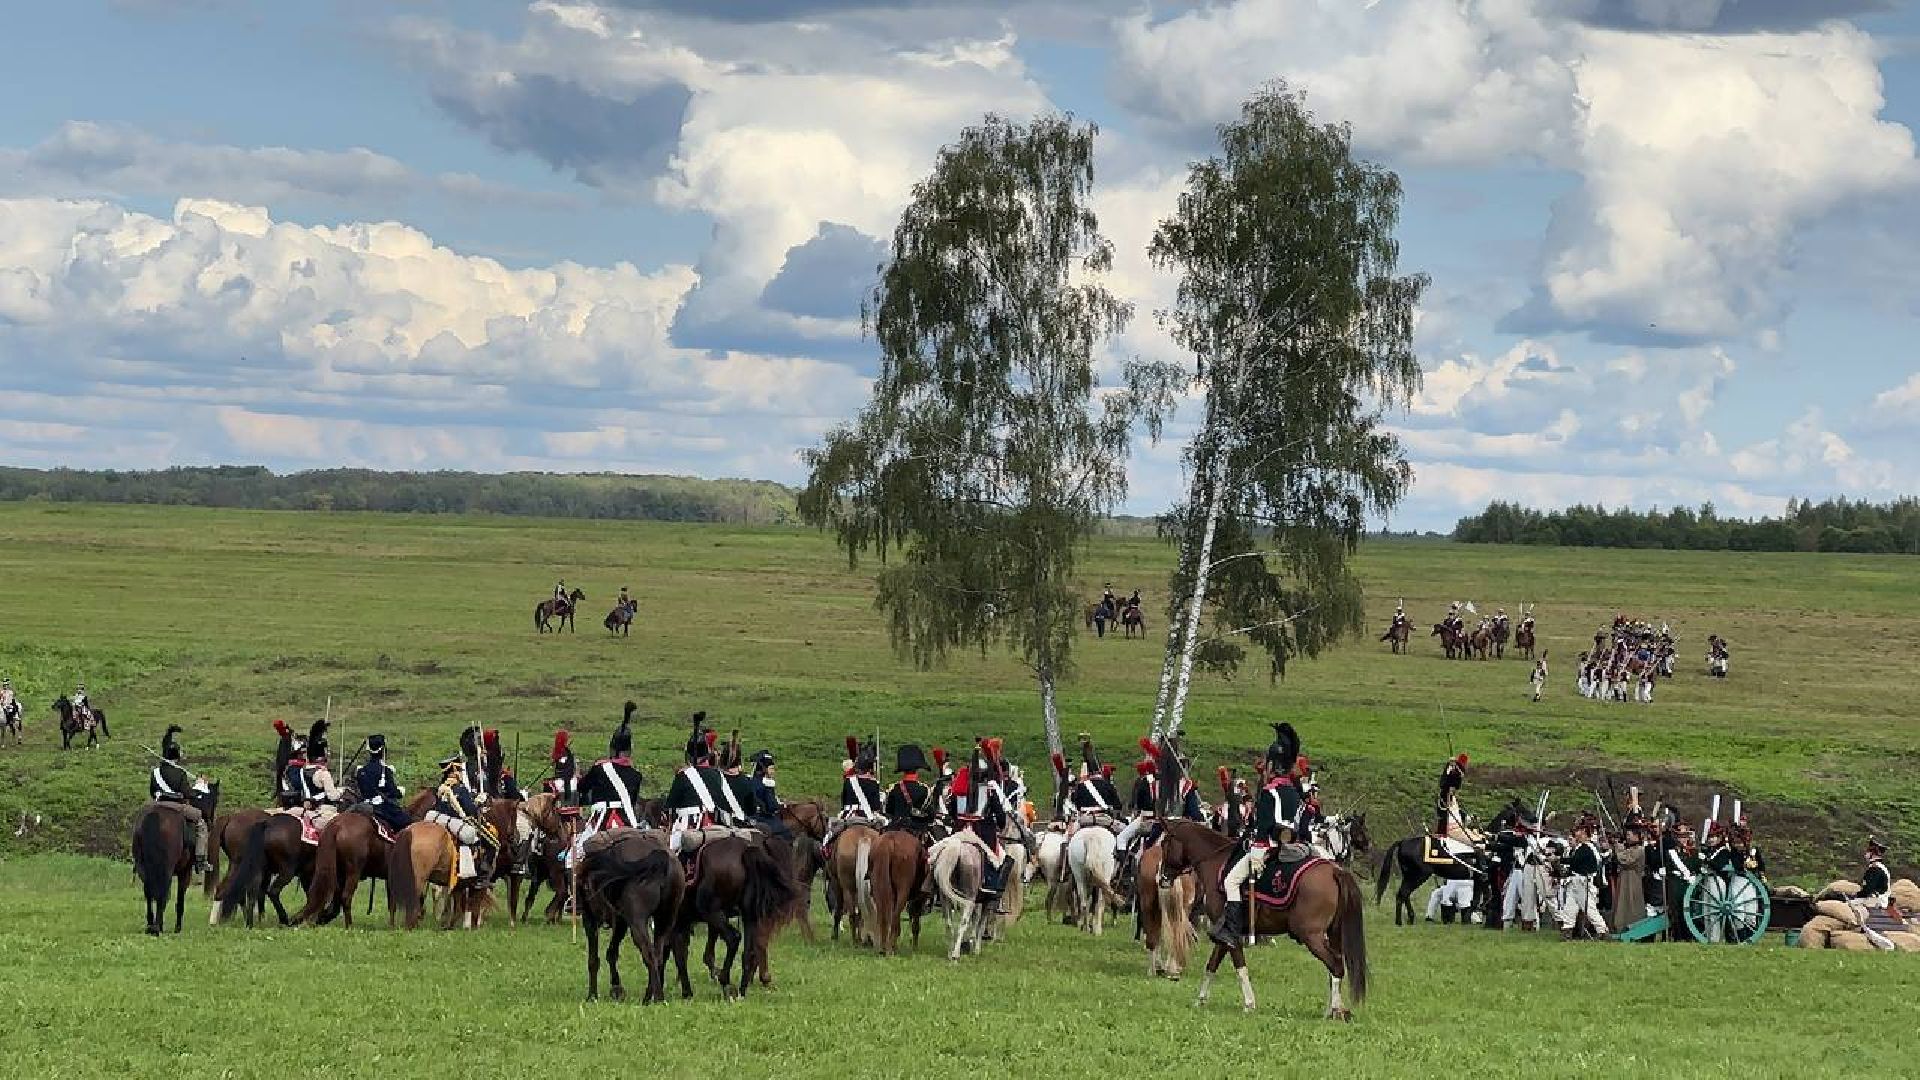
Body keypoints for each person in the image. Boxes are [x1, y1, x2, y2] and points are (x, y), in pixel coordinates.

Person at [1213, 724, 1309, 947]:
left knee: (1231, 881)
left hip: (1268, 847)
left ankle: (1232, 931)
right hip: (1293, 844)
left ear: (1273, 765)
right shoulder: (1294, 791)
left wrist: (1256, 846)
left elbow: (1264, 826)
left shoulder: (1269, 791)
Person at [950, 738, 1016, 909]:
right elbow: (1000, 816)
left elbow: (952, 812)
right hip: (982, 832)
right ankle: (992, 889)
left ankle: (933, 887)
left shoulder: (957, 790)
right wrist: (1000, 826)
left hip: (959, 831)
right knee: (1000, 859)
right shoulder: (989, 790)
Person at [148, 724, 210, 874]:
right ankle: (201, 860)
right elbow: (188, 793)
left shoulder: (155, 772)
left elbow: (152, 791)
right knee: (201, 823)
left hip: (158, 805)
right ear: (176, 756)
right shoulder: (180, 773)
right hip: (176, 806)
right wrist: (200, 786)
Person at [664, 711, 727, 857]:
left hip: (689, 825)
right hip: (714, 825)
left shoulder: (683, 775)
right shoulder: (718, 774)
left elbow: (670, 807)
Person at [426, 757, 491, 882]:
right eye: (460, 770)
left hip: (439, 820)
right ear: (454, 770)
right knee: (483, 838)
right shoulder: (460, 789)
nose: (461, 773)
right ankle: (478, 873)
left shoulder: (441, 788)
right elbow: (470, 810)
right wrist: (478, 803)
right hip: (456, 823)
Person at [353, 733, 413, 835]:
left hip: (364, 804)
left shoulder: (360, 771)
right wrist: (400, 792)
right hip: (380, 808)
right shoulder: (385, 770)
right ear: (383, 750)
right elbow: (393, 792)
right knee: (406, 821)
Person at [1559, 813, 1608, 939]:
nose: (1577, 833)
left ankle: (1602, 930)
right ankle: (1567, 930)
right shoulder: (1582, 847)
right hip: (1575, 881)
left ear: (1585, 832)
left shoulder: (1587, 847)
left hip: (1583, 881)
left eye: (1579, 831)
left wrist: (1559, 859)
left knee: (1589, 909)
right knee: (1569, 908)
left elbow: (1574, 861)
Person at [1850, 838, 1897, 951]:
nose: (1866, 854)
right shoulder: (1880, 868)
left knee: (1850, 904)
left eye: (1868, 852)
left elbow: (1868, 890)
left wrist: (1856, 896)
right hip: (1879, 899)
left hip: (1877, 900)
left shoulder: (1875, 869)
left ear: (1873, 854)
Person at [883, 744, 936, 833]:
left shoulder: (894, 788)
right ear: (917, 769)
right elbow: (929, 815)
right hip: (916, 829)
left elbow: (888, 811)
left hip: (895, 828)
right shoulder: (924, 789)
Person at [1436, 753, 1468, 837]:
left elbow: (1458, 779)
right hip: (1445, 791)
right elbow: (1445, 777)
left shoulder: (1459, 770)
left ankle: (1444, 831)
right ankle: (1441, 831)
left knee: (1446, 812)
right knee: (1442, 812)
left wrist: (1454, 769)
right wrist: (1451, 767)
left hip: (1449, 793)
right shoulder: (1450, 767)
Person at [548, 729, 579, 812]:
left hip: (561, 781)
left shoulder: (560, 752)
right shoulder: (563, 753)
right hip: (565, 783)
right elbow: (567, 768)